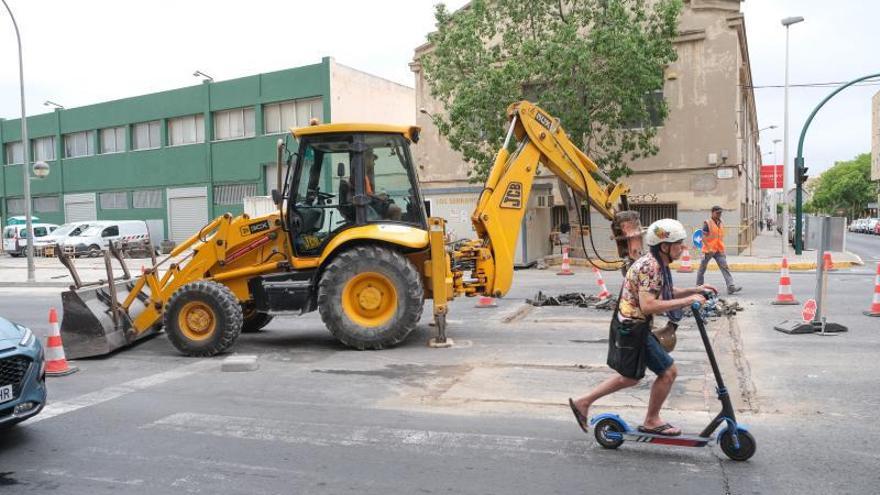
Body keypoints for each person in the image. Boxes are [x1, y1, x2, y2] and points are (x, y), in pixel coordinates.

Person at [568, 219, 716, 437]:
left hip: (634, 326)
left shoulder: (656, 263)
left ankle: (583, 402)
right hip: (632, 328)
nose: (683, 248)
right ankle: (651, 420)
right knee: (667, 373)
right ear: (664, 246)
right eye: (678, 244)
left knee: (632, 377)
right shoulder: (650, 266)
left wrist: (696, 290)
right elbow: (649, 305)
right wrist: (687, 301)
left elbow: (662, 291)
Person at [697, 206, 741, 295]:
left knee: (725, 267)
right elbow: (703, 237)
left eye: (720, 213)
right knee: (702, 269)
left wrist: (721, 249)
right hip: (708, 250)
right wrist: (709, 248)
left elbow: (719, 236)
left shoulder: (721, 223)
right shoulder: (707, 223)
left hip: (719, 250)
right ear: (712, 213)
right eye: (717, 213)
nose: (719, 215)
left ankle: (731, 287)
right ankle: (699, 287)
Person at [363, 151, 402, 221]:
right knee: (396, 210)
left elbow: (368, 193)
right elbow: (366, 194)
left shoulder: (365, 175)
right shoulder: (362, 176)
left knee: (390, 202)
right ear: (367, 160)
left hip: (371, 202)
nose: (374, 163)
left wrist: (379, 196)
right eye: (373, 161)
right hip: (369, 205)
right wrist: (379, 197)